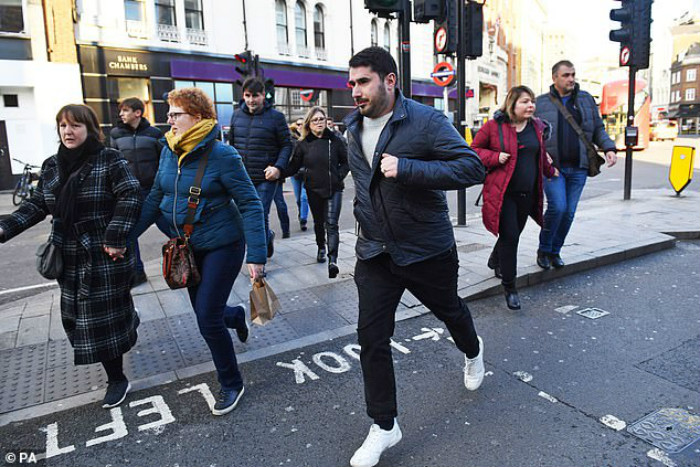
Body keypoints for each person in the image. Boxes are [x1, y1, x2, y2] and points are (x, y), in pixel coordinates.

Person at [344, 47, 486, 467]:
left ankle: (473, 349)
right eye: (351, 83)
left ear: (390, 80)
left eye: (363, 81)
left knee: (450, 311)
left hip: (425, 249)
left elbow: (471, 167)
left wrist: (408, 168)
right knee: (371, 337)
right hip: (375, 252)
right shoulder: (352, 128)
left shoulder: (425, 121)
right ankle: (385, 426)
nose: (355, 91)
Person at [132, 88, 266, 416]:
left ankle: (232, 382)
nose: (169, 119)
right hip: (188, 248)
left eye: (176, 113)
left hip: (223, 244)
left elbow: (250, 203)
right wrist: (125, 237)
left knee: (206, 317)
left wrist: (257, 255)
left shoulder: (223, 156)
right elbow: (154, 198)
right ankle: (234, 316)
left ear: (198, 117)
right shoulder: (168, 150)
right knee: (209, 313)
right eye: (169, 113)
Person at [0, 104, 141, 409]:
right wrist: (3, 229)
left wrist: (116, 237)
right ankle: (127, 324)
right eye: (62, 126)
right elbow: (37, 205)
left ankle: (117, 379)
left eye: (75, 125)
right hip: (69, 256)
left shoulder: (109, 160)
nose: (68, 131)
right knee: (79, 320)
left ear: (90, 129)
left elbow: (130, 194)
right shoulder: (52, 165)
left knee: (100, 323)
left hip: (103, 254)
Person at [472, 86, 558, 310]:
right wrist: (494, 157)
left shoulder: (537, 127)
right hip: (503, 194)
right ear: (512, 104)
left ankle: (495, 259)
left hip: (527, 194)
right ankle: (510, 287)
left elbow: (539, 155)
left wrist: (550, 171)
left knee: (513, 234)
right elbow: (474, 150)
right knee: (511, 237)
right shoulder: (494, 127)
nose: (531, 106)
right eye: (525, 102)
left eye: (532, 102)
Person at [535, 60, 617, 269]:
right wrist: (542, 155)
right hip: (553, 169)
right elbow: (531, 134)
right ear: (555, 78)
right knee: (558, 208)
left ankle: (555, 251)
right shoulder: (540, 103)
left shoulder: (586, 99)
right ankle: (544, 249)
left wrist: (609, 148)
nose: (571, 79)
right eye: (566, 75)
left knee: (569, 212)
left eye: (573, 74)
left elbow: (597, 128)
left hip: (579, 166)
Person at [228, 77, 293, 258]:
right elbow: (231, 144)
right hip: (242, 177)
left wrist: (278, 168)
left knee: (258, 214)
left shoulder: (276, 117)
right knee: (244, 216)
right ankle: (266, 238)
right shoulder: (236, 115)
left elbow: (287, 145)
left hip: (267, 177)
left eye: (255, 96)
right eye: (247, 95)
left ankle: (258, 260)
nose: (251, 100)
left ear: (263, 95)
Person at [286, 106, 349, 278]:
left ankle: (333, 260)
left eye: (321, 119)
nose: (319, 122)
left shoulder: (335, 140)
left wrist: (338, 177)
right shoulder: (303, 144)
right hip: (313, 189)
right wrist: (278, 172)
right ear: (309, 123)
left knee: (332, 224)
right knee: (319, 223)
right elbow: (293, 166)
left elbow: (346, 161)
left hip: (334, 188)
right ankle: (321, 246)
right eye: (315, 120)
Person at [109, 97, 164, 286]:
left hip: (154, 191)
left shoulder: (155, 133)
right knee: (130, 233)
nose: (121, 114)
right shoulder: (115, 134)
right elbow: (112, 164)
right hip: (129, 193)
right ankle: (137, 273)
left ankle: (188, 260)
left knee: (173, 228)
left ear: (137, 113)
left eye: (125, 111)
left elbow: (164, 161)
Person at [289, 118, 309, 232]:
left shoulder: (310, 138)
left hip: (307, 173)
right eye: (298, 124)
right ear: (295, 126)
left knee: (304, 197)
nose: (301, 126)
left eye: (303, 124)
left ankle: (303, 220)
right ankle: (301, 213)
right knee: (298, 199)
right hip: (295, 173)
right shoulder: (291, 140)